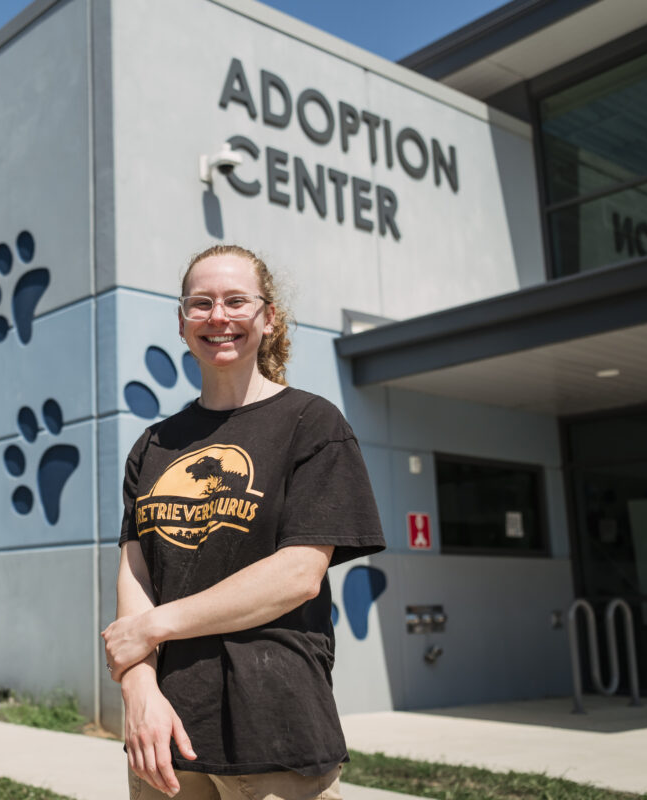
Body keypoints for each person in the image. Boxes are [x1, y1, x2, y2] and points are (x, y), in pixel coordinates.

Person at [102, 244, 385, 800]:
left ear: (268, 316)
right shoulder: (154, 445)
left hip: (274, 728)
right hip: (166, 738)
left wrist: (156, 627)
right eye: (200, 303)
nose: (218, 316)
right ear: (182, 322)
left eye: (236, 300)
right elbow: (136, 575)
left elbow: (296, 575)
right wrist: (138, 689)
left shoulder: (312, 423)